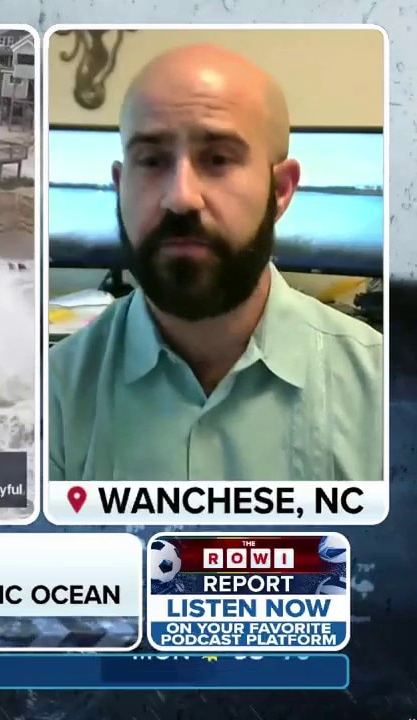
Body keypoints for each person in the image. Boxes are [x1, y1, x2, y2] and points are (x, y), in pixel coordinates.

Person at [48, 44, 384, 482]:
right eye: (151, 161)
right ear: (119, 183)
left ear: (281, 190)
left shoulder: (382, 394)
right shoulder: (48, 397)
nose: (181, 197)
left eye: (218, 159)